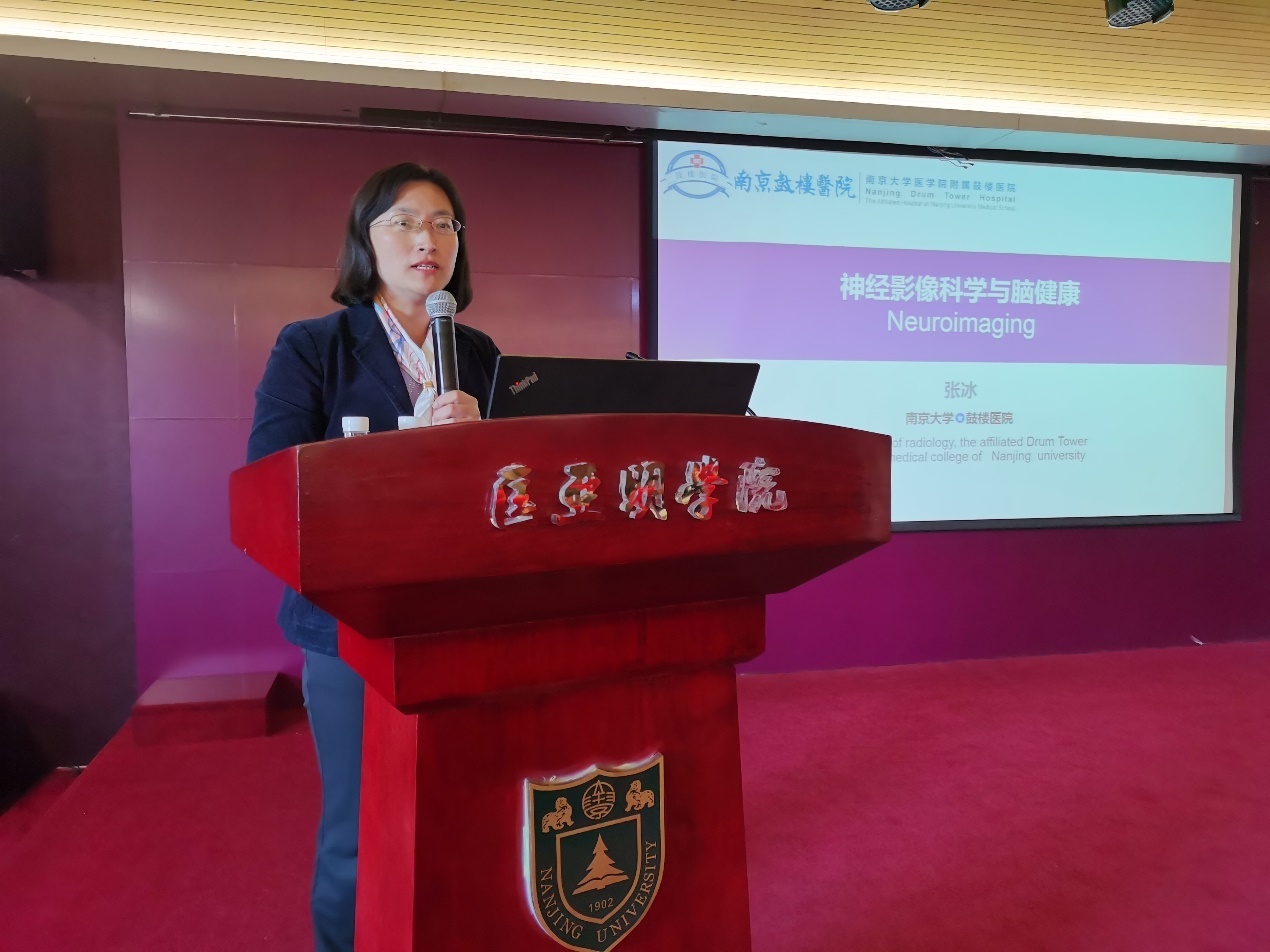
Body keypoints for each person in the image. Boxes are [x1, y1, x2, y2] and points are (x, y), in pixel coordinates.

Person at [246, 162, 499, 952]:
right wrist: (406, 445)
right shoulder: (313, 346)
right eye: (406, 222)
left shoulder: (479, 353)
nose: (428, 240)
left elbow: (503, 492)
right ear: (367, 238)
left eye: (445, 224)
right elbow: (270, 478)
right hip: (350, 626)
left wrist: (488, 445)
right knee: (359, 831)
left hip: (459, 621)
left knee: (462, 809)